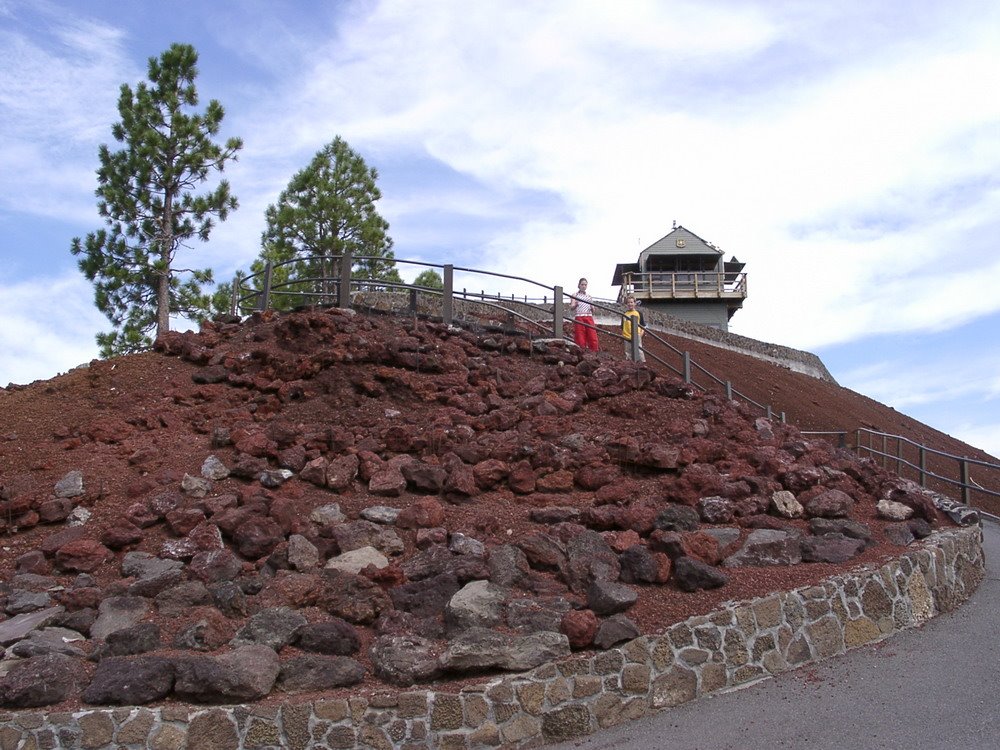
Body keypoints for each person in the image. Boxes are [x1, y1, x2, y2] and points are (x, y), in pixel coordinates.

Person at [569, 277, 599, 351]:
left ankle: (594, 351)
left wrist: (592, 308)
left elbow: (593, 309)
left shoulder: (589, 296)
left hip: (588, 316)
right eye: (582, 284)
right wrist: (576, 305)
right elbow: (572, 307)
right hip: (579, 316)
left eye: (585, 285)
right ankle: (581, 351)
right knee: (580, 335)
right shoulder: (575, 295)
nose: (584, 286)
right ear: (579, 285)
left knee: (592, 335)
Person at [621, 295, 645, 362]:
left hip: (636, 335)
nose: (630, 304)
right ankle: (629, 365)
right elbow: (623, 326)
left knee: (639, 350)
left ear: (635, 303)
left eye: (631, 302)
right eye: (628, 302)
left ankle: (642, 364)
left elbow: (643, 325)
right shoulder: (624, 314)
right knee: (628, 352)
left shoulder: (638, 313)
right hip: (626, 336)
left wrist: (640, 334)